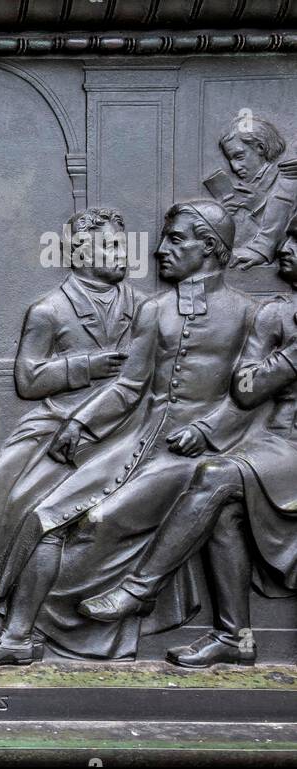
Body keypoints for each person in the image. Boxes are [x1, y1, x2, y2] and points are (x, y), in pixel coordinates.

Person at [0, 200, 258, 666]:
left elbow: (252, 395)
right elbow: (129, 385)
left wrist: (207, 430)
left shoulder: (249, 314)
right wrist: (83, 422)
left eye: (176, 239)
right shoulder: (156, 309)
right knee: (46, 516)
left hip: (198, 456)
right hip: (139, 441)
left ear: (209, 247)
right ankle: (16, 639)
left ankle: (124, 604)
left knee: (96, 520)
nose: (160, 250)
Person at [75, 212, 297, 667]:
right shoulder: (275, 314)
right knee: (224, 506)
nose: (283, 249)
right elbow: (247, 387)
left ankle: (139, 590)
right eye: (287, 236)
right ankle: (234, 637)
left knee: (216, 478)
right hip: (276, 447)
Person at [0, 207, 136, 664]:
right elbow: (28, 381)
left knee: (39, 506)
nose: (121, 254)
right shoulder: (49, 310)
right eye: (109, 245)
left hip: (120, 429)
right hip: (54, 421)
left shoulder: (143, 307)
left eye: (122, 244)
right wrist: (86, 366)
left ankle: (15, 625)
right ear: (78, 251)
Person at [211, 116, 297, 269]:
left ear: (261, 148)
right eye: (230, 160)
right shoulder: (247, 187)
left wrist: (258, 206)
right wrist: (224, 218)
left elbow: (288, 223)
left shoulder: (287, 178)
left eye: (239, 156)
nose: (234, 167)